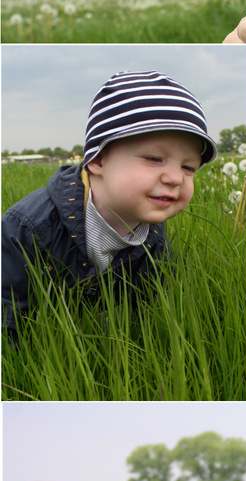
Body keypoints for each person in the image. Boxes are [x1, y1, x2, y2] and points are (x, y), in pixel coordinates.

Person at [2, 69, 217, 340]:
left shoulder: (153, 236)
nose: (175, 178)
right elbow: (8, 321)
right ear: (98, 160)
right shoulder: (27, 227)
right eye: (153, 158)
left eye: (188, 167)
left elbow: (150, 313)